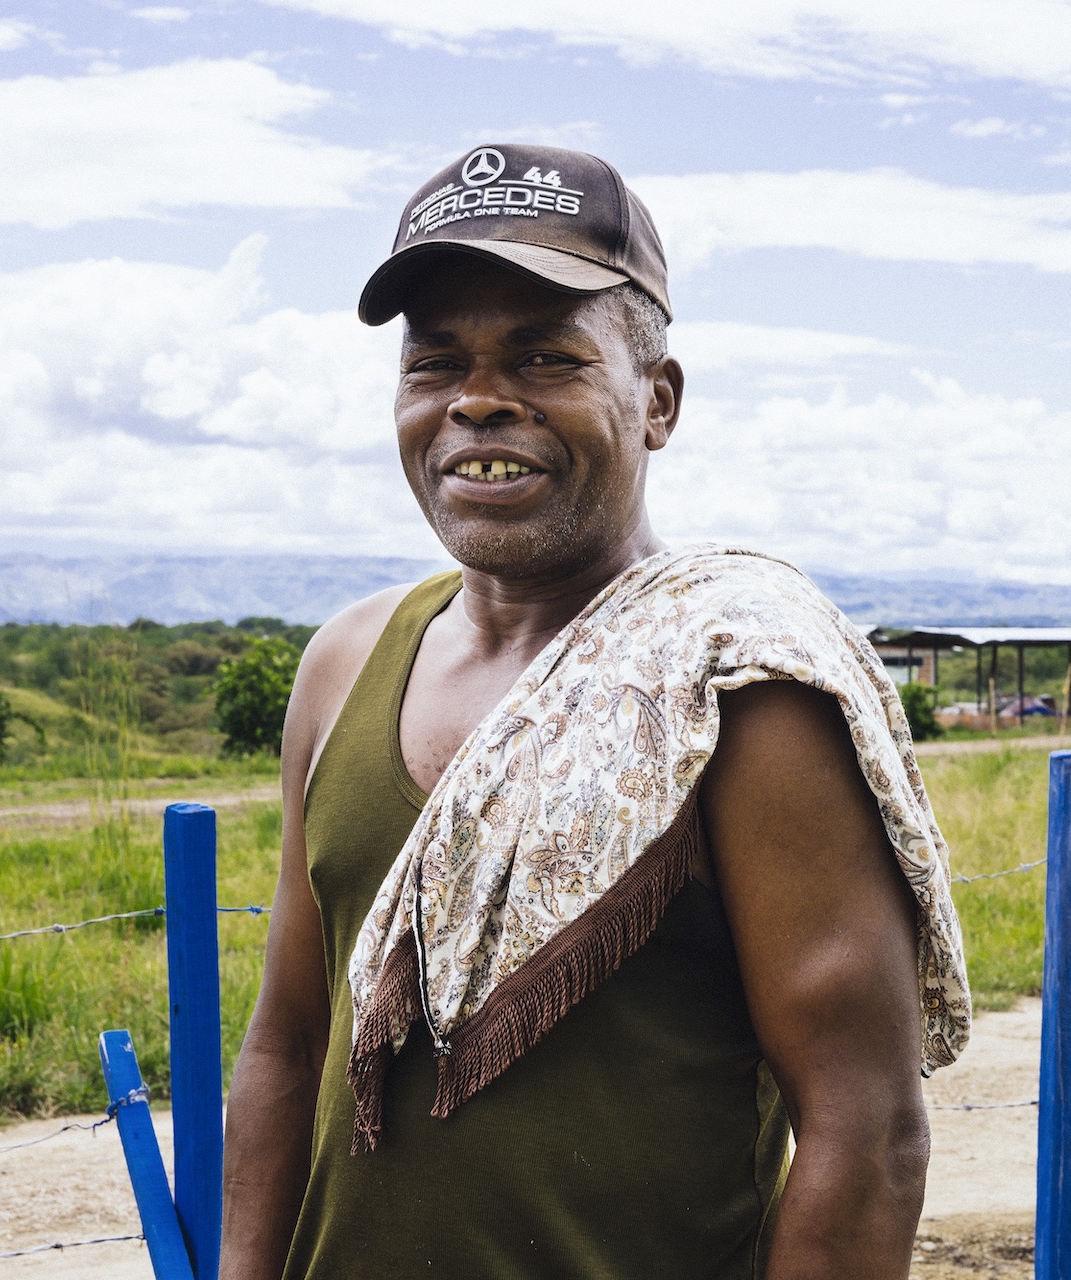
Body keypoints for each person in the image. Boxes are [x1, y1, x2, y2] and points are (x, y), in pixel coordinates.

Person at [220, 143, 970, 1280]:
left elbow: (865, 1129)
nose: (477, 399)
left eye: (543, 355)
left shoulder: (741, 689)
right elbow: (288, 1042)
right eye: (436, 363)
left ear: (656, 400)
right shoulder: (348, 660)